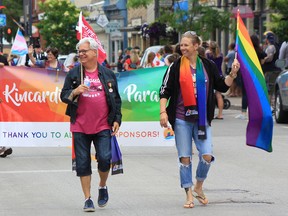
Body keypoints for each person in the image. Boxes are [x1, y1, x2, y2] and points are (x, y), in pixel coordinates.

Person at [159, 31, 240, 208]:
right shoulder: (175, 67)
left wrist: (233, 74)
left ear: (196, 46)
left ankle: (198, 186)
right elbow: (164, 91)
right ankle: (188, 194)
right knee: (185, 158)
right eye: (181, 45)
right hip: (181, 119)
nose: (183, 48)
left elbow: (221, 85)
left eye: (186, 45)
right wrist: (163, 112)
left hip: (202, 119)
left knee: (207, 155)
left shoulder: (208, 66)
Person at [60, 37, 122, 212]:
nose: (81, 54)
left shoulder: (107, 74)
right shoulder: (74, 74)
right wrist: (74, 92)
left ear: (94, 52)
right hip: (80, 125)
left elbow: (116, 100)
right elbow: (63, 96)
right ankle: (87, 199)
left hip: (103, 125)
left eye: (84, 51)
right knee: (82, 163)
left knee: (104, 159)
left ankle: (102, 186)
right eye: (79, 51)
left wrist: (117, 119)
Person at [206, 41, 225, 119]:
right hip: (219, 74)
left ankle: (210, 113)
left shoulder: (208, 55)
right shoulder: (220, 55)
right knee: (219, 95)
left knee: (210, 95)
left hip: (211, 75)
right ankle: (220, 114)